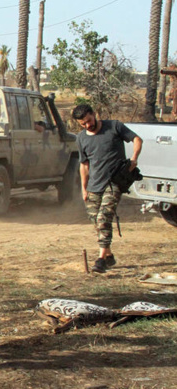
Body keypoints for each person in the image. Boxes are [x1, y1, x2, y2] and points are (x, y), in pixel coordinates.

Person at [72, 104, 142, 273]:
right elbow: (84, 165)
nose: (88, 125)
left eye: (89, 121)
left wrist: (134, 159)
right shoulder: (81, 138)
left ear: (94, 114)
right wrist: (84, 188)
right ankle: (109, 256)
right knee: (96, 221)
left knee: (104, 218)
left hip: (114, 182)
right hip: (93, 186)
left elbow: (137, 139)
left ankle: (101, 259)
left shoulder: (115, 127)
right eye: (83, 124)